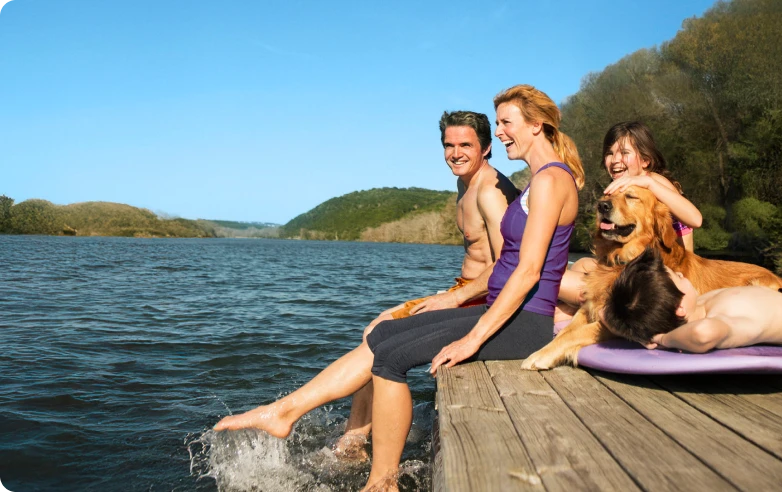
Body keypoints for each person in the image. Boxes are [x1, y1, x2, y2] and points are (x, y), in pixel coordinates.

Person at [213, 84, 584, 491]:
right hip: (504, 311)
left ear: (536, 125)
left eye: (505, 123)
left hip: (523, 323)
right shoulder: (537, 181)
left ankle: (382, 481)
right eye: (497, 123)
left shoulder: (550, 181)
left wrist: (472, 337)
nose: (499, 132)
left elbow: (528, 271)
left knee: (392, 359)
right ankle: (288, 414)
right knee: (383, 336)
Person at [333, 111, 519, 460]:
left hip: (480, 298)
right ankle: (356, 437)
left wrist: (455, 298)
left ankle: (353, 440)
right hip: (463, 289)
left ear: (486, 148)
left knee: (377, 332)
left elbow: (506, 265)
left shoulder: (490, 192)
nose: (455, 153)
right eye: (449, 145)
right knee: (376, 328)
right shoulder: (465, 183)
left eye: (466, 145)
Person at [556, 121, 703, 320]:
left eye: (624, 153)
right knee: (582, 263)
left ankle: (583, 310)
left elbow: (695, 219)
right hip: (637, 264)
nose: (615, 159)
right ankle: (572, 311)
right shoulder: (622, 188)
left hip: (670, 272)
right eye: (610, 153)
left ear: (645, 161)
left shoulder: (654, 182)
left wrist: (649, 183)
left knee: (565, 282)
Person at [599, 247, 782, 370]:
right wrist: (662, 339)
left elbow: (605, 314)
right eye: (677, 277)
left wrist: (642, 335)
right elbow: (703, 334)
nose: (681, 273)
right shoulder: (720, 320)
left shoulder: (698, 306)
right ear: (680, 308)